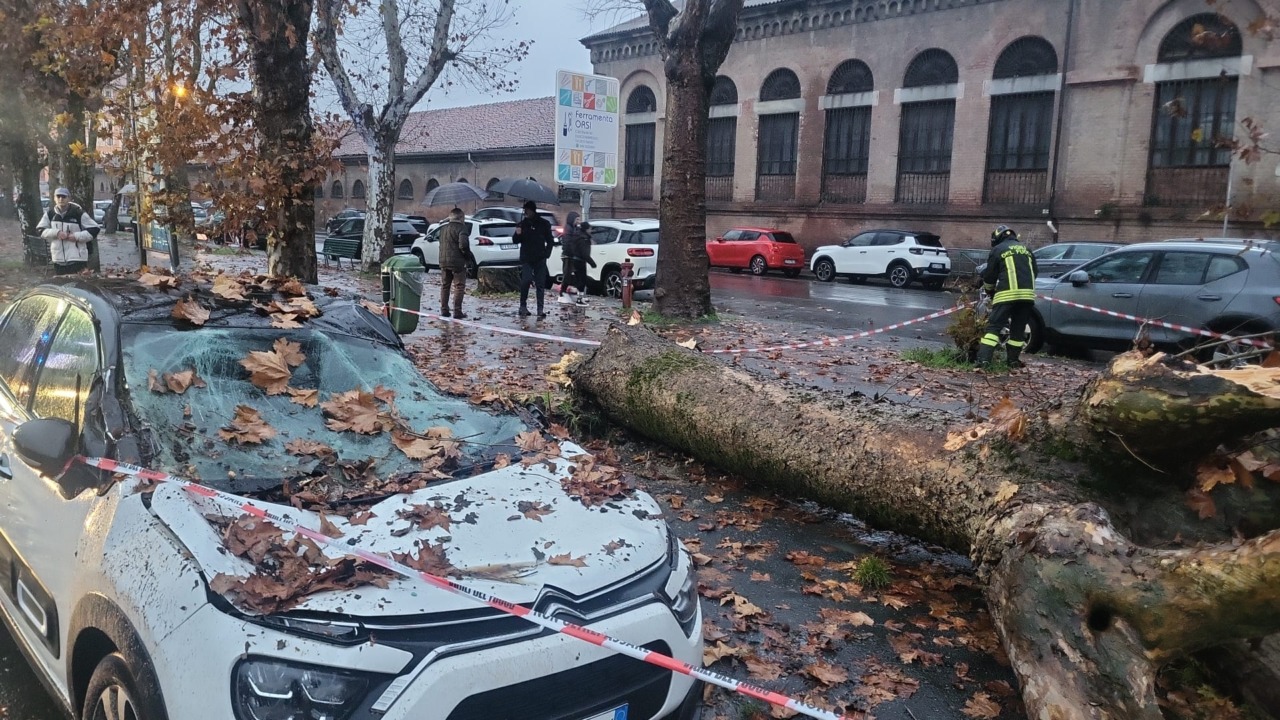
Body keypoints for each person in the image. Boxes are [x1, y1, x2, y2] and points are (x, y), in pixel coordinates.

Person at [976, 224, 1038, 370]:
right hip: (1027, 296)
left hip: (1006, 295)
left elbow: (990, 276)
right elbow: (1034, 272)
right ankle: (1013, 361)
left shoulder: (998, 250)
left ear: (997, 239)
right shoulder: (1027, 249)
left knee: (994, 327)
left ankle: (983, 361)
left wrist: (989, 291)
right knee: (1018, 329)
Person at [37, 188, 100, 275]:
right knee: (61, 286)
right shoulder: (50, 214)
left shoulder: (78, 213)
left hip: (77, 258)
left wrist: (76, 236)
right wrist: (56, 233)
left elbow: (95, 229)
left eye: (64, 196)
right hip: (58, 258)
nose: (61, 199)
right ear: (54, 198)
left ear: (69, 198)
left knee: (77, 284)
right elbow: (40, 230)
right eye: (58, 196)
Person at [513, 200, 554, 318]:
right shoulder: (522, 224)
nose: (526, 212)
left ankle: (540, 309)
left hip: (540, 257)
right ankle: (523, 306)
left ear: (532, 210)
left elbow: (550, 240)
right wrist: (518, 233)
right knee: (526, 280)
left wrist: (547, 253)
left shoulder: (544, 224)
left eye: (527, 210)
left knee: (540, 283)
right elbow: (515, 240)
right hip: (526, 257)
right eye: (525, 210)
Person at [437, 207, 471, 319]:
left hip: (443, 261)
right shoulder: (462, 228)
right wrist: (468, 257)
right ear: (461, 217)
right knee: (459, 286)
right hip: (458, 262)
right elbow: (463, 245)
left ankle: (444, 310)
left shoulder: (443, 228)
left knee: (445, 286)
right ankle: (457, 311)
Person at [558, 215, 596, 306]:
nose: (578, 221)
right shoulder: (571, 230)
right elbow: (569, 243)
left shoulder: (576, 230)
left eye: (579, 219)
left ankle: (575, 295)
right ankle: (563, 293)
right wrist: (570, 253)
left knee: (576, 277)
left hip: (573, 256)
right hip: (570, 256)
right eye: (577, 219)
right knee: (569, 276)